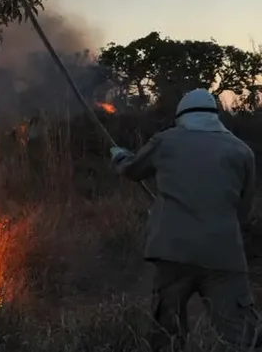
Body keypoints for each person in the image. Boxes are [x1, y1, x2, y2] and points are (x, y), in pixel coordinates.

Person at [110, 88, 260, 350]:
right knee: (243, 334)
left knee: (168, 332)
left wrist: (120, 157)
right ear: (216, 116)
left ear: (182, 116)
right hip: (224, 255)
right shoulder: (242, 151)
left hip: (172, 252)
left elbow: (133, 170)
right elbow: (243, 210)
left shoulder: (165, 141)